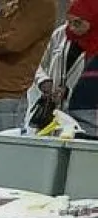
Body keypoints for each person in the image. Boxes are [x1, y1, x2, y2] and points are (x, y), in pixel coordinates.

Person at [0, 0, 58, 130]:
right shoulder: (13, 4)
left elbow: (14, 42)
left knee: (0, 148)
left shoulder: (41, 4)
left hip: (6, 94)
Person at [31, 0, 98, 133]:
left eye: (78, 23)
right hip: (52, 113)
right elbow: (38, 63)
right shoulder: (61, 34)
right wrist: (43, 80)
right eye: (70, 21)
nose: (72, 28)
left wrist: (68, 92)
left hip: (86, 120)